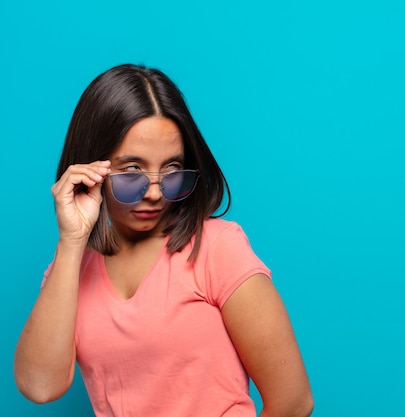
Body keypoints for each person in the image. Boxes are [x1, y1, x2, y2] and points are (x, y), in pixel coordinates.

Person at [14, 64, 314, 417]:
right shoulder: (71, 271)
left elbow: (293, 401)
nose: (155, 192)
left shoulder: (217, 248)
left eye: (171, 170)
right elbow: (40, 386)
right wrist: (71, 241)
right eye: (131, 172)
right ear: (91, 170)